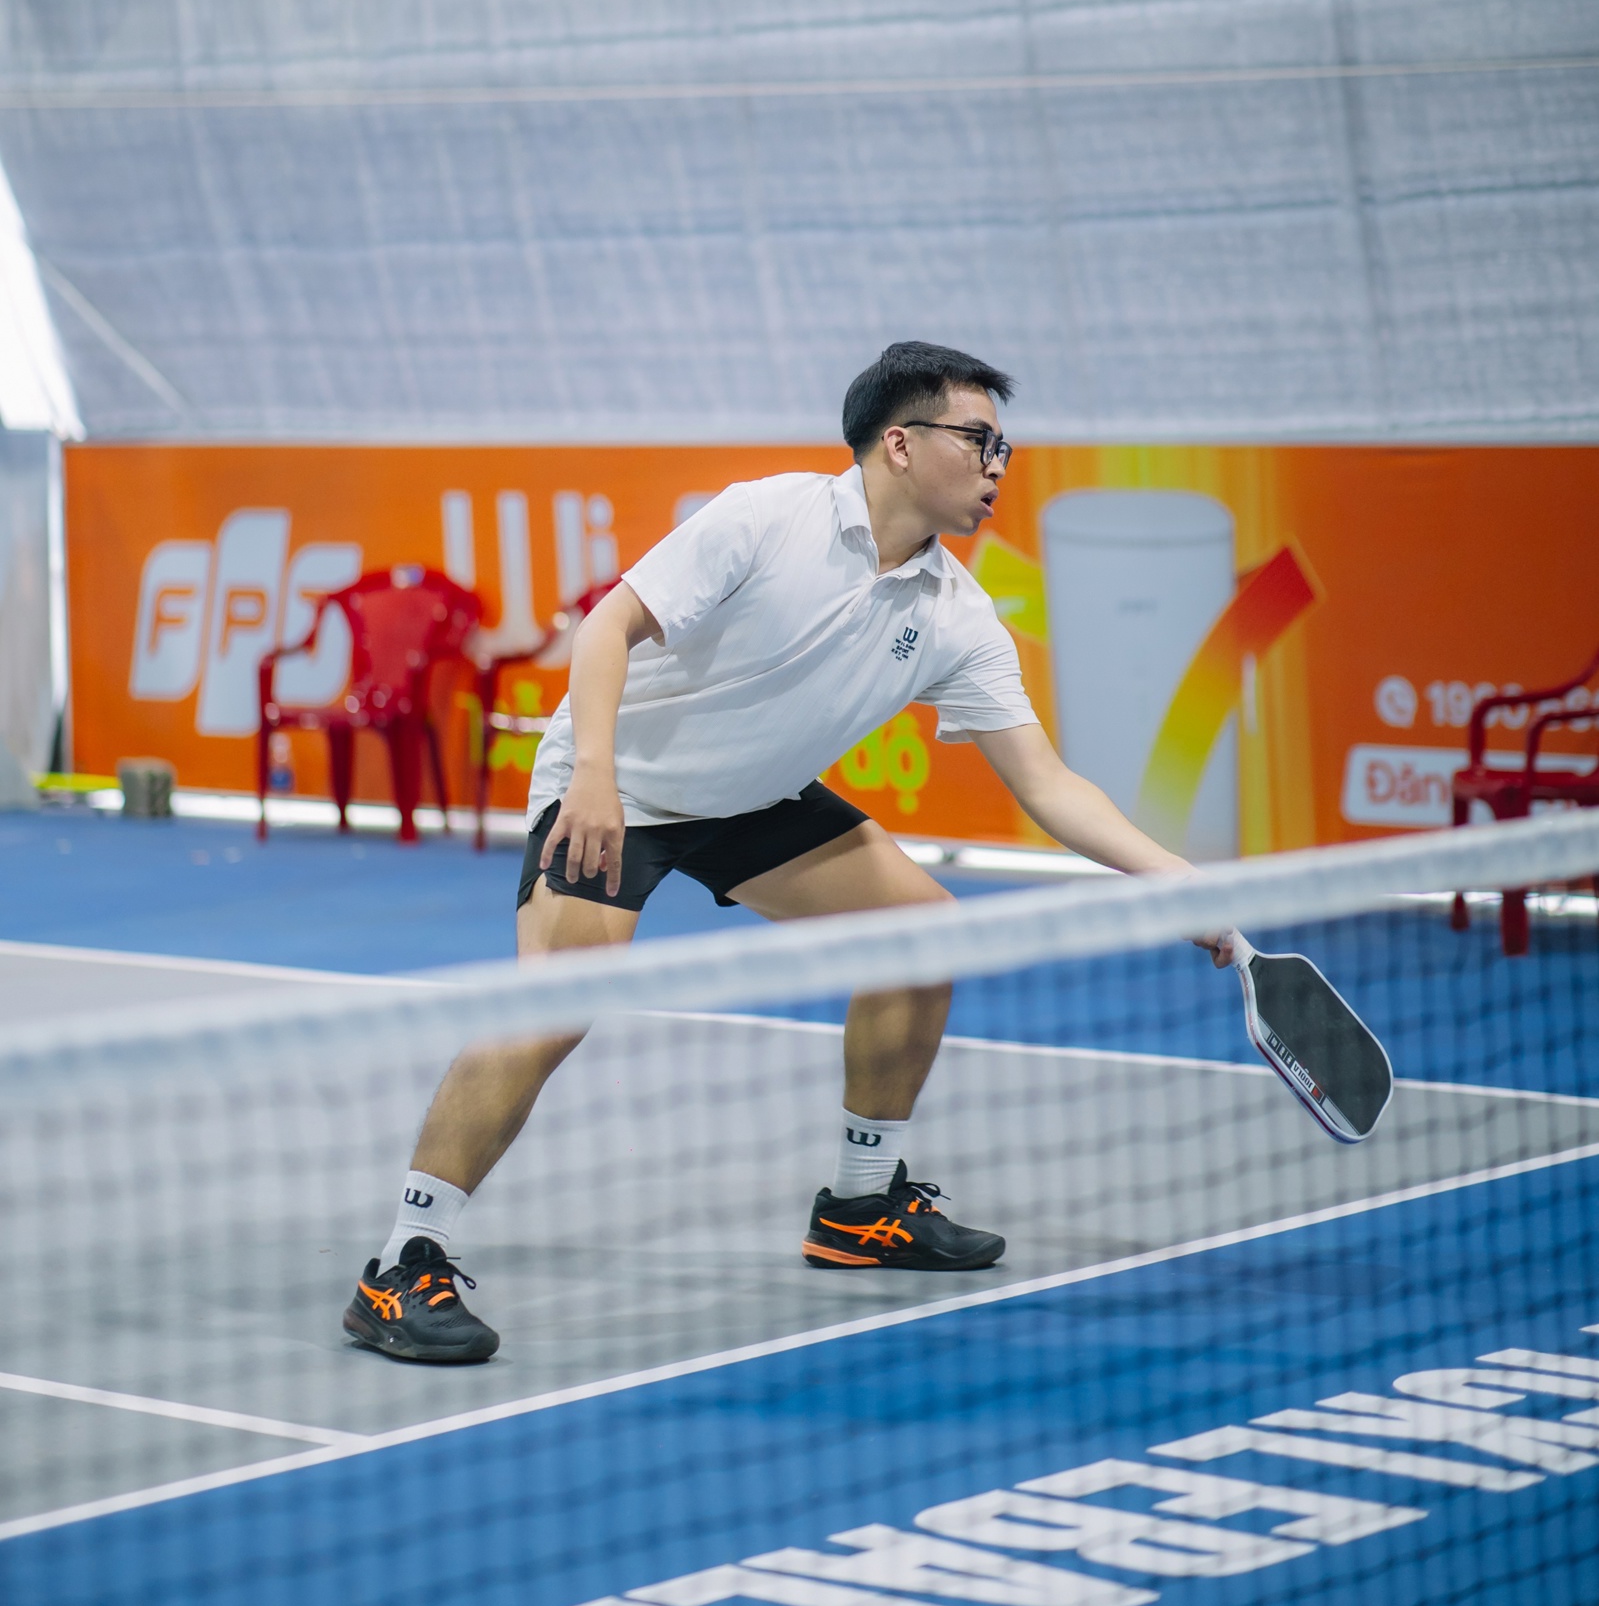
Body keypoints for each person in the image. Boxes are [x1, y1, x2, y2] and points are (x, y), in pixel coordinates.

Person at [343, 341, 1183, 1364]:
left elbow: (1048, 786)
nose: (997, 463)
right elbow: (607, 627)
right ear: (900, 443)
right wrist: (594, 774)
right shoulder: (768, 517)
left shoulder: (957, 616)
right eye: (978, 440)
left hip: (750, 800)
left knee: (921, 935)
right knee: (554, 1003)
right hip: (621, 784)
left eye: (1003, 446)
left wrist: (1183, 886)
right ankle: (401, 1264)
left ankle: (861, 1209)